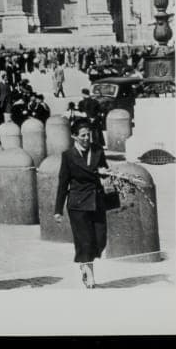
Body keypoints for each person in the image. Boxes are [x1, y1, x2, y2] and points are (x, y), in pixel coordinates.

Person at [54, 118, 110, 288]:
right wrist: (58, 210)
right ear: (74, 136)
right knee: (85, 241)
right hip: (78, 204)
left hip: (97, 201)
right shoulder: (68, 156)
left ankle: (85, 264)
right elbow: (63, 183)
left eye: (89, 135)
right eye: (83, 135)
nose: (87, 138)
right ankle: (89, 274)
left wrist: (104, 173)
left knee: (100, 240)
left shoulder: (98, 150)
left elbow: (106, 171)